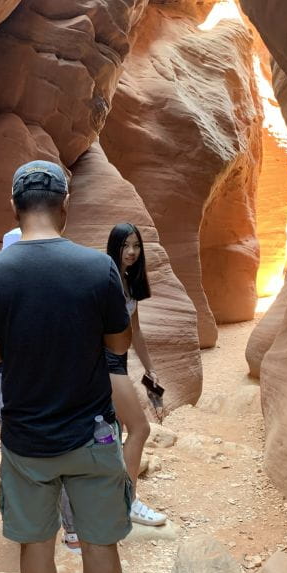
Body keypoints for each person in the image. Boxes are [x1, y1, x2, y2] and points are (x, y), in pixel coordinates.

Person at [0, 160, 133, 573]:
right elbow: (117, 346)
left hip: (26, 441)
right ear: (65, 204)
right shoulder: (96, 267)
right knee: (101, 545)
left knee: (36, 544)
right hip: (93, 435)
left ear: (14, 206)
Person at [103, 223, 169, 526]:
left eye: (136, 246)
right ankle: (127, 502)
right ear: (114, 246)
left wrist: (152, 376)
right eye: (125, 245)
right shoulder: (107, 280)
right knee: (139, 429)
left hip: (119, 363)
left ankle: (110, 497)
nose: (131, 252)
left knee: (112, 434)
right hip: (105, 364)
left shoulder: (128, 281)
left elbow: (137, 332)